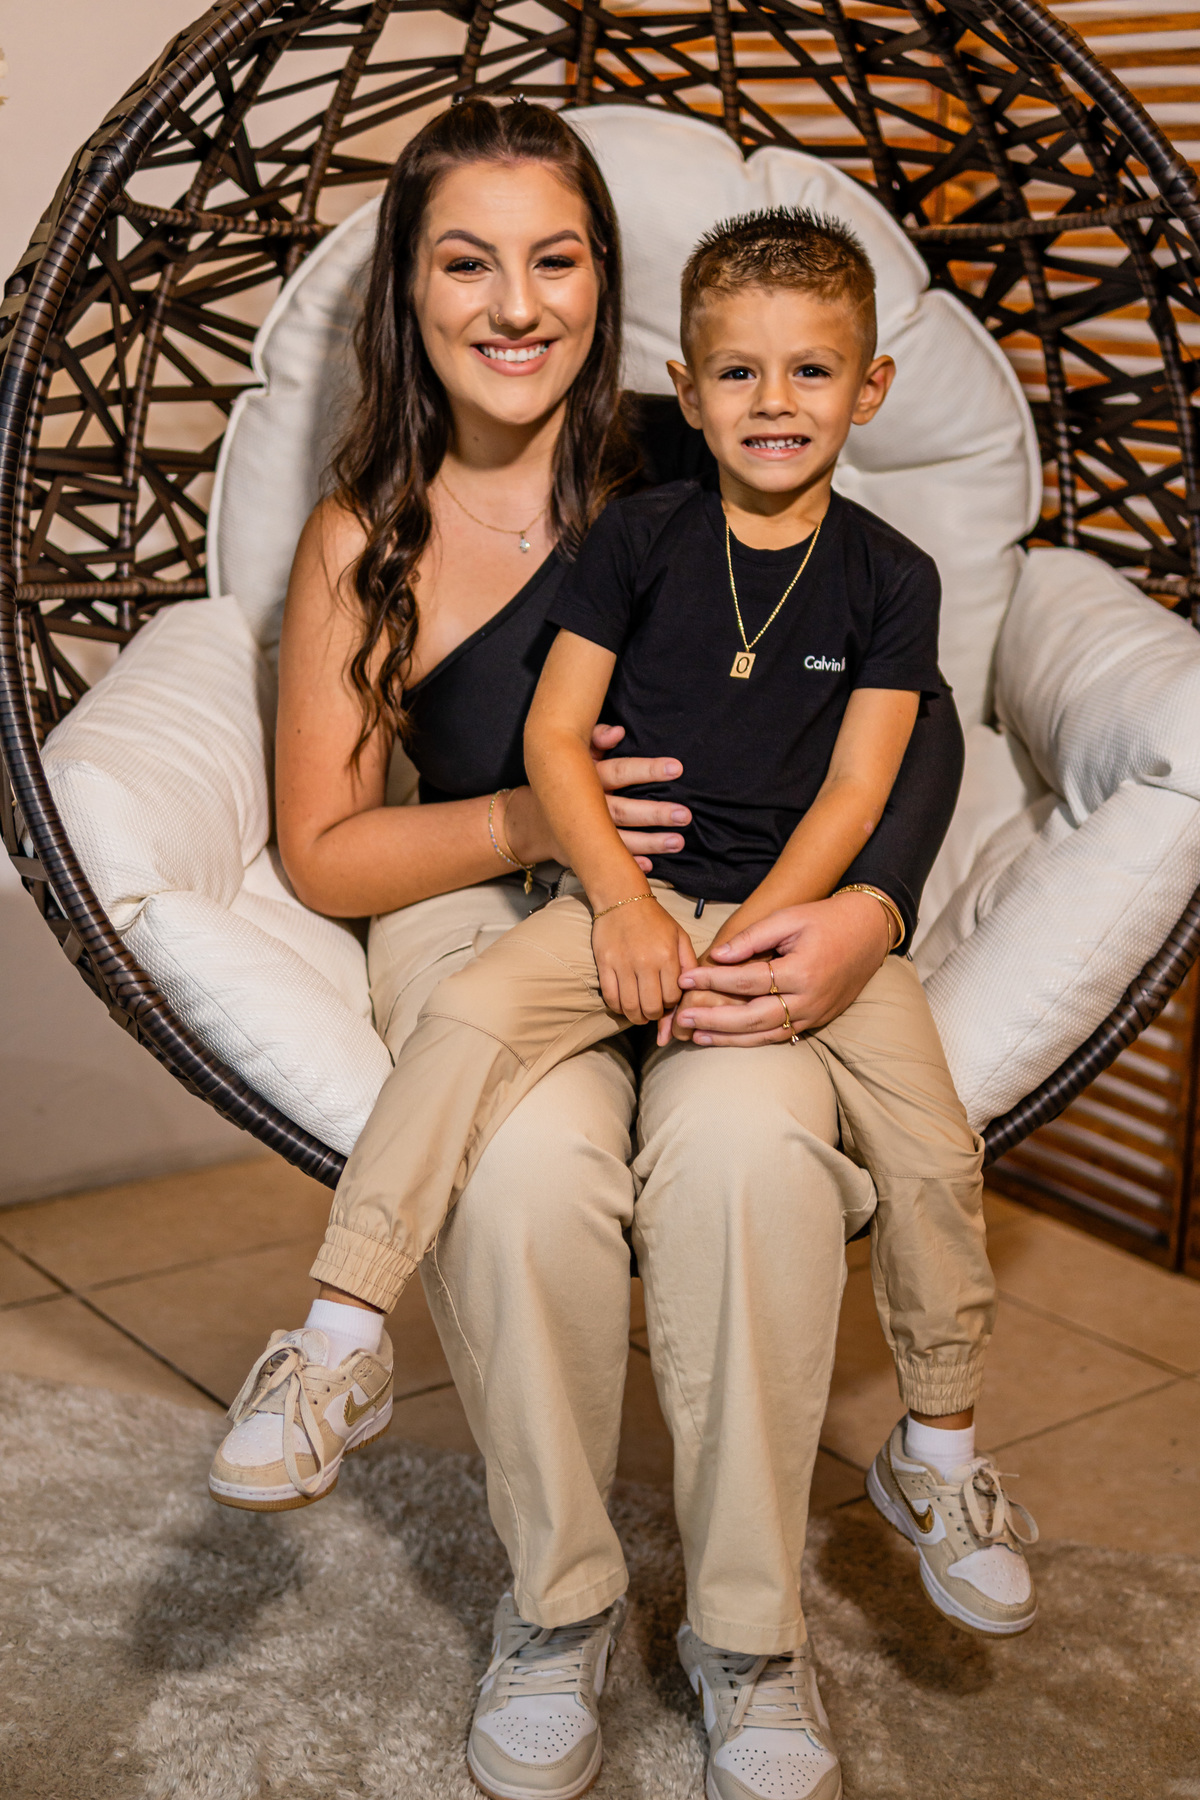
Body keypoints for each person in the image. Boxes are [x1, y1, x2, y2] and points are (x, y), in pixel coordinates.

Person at [206, 97, 992, 1800]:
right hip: (491, 912)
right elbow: (325, 849)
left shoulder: (695, 444)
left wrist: (867, 912)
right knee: (524, 1178)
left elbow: (906, 715)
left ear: (606, 280)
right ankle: (557, 1607)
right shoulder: (366, 534)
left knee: (752, 1159)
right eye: (465, 264)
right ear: (407, 293)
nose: (515, 304)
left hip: (750, 907)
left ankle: (752, 1637)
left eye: (554, 259)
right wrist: (533, 825)